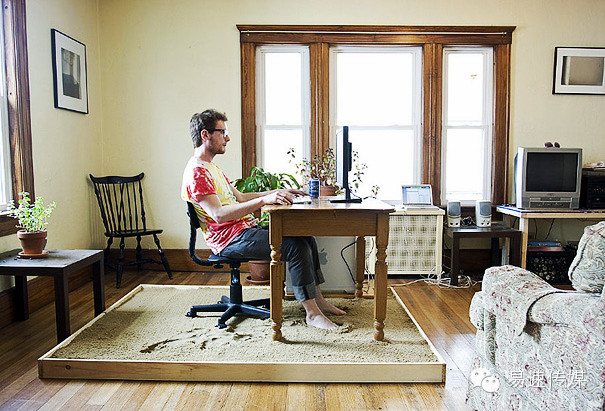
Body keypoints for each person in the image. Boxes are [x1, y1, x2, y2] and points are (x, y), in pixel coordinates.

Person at [181, 109, 345, 330]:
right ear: (205, 134)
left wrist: (277, 192)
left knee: (305, 237)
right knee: (295, 246)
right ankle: (312, 314)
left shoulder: (211, 168)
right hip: (228, 239)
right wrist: (264, 200)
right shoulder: (197, 172)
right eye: (223, 132)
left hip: (242, 231)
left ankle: (319, 302)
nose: (227, 138)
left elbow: (240, 197)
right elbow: (218, 215)